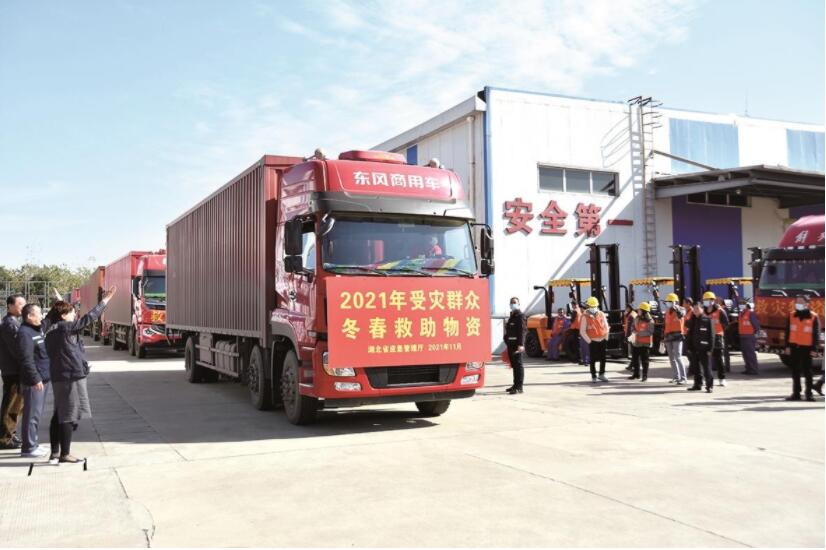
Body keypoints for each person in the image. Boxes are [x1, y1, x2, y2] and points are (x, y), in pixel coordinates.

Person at [44, 286, 116, 462]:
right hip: (70, 376)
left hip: (59, 375)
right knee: (68, 415)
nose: (74, 315)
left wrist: (60, 300)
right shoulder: (66, 328)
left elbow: (59, 313)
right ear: (63, 316)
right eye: (71, 313)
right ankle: (65, 453)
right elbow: (89, 317)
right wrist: (105, 301)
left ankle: (55, 451)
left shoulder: (51, 328)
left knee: (59, 413)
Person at [17, 304, 52, 458]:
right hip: (34, 381)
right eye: (38, 313)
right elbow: (26, 359)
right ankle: (28, 447)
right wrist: (35, 378)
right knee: (31, 415)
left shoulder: (36, 329)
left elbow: (49, 319)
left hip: (43, 378)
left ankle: (34, 443)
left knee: (37, 414)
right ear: (29, 316)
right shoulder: (25, 333)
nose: (41, 316)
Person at [0, 294, 26, 449]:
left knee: (16, 405)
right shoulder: (10, 324)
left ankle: (10, 434)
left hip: (14, 370)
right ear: (10, 305)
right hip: (13, 371)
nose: (23, 307)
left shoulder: (14, 322)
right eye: (20, 304)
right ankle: (5, 439)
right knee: (11, 405)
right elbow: (17, 349)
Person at [783, 295, 821, 402]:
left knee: (808, 372)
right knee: (795, 371)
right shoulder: (792, 315)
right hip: (794, 346)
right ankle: (796, 393)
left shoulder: (813, 316)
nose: (797, 304)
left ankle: (809, 394)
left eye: (800, 302)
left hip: (807, 347)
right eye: (797, 302)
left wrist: (814, 348)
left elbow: (816, 334)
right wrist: (787, 346)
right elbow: (788, 332)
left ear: (807, 304)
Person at [685, 302, 714, 393]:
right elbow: (689, 334)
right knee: (696, 368)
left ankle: (709, 386)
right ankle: (697, 384)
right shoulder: (692, 320)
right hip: (694, 348)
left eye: (697, 309)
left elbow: (712, 336)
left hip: (704, 349)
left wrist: (710, 349)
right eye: (694, 309)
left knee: (706, 368)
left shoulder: (707, 320)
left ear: (702, 309)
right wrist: (689, 346)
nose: (695, 311)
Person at [580, 296, 610, 383]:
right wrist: (590, 341)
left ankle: (601, 374)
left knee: (603, 358)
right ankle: (593, 375)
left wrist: (606, 338)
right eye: (591, 306)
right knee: (593, 359)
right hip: (593, 341)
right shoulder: (585, 317)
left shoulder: (601, 314)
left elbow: (606, 326)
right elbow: (582, 331)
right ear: (588, 306)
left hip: (602, 340)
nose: (593, 308)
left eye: (595, 306)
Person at [702, 291, 728, 387]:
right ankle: (707, 378)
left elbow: (726, 324)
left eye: (707, 300)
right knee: (705, 360)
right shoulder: (703, 311)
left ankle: (722, 378)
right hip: (705, 337)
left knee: (719, 359)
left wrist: (719, 332)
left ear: (712, 301)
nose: (705, 301)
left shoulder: (720, 311)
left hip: (717, 337)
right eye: (704, 300)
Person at [662, 293, 687, 384]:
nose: (667, 303)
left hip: (677, 336)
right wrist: (664, 337)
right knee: (671, 358)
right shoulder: (667, 312)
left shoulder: (681, 309)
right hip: (668, 336)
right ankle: (676, 377)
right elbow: (666, 325)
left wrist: (677, 309)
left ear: (674, 302)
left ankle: (683, 378)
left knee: (678, 357)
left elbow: (682, 315)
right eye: (667, 302)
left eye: (669, 302)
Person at [503, 296, 526, 395]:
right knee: (514, 366)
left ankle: (519, 387)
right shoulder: (512, 316)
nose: (513, 304)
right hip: (511, 344)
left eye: (515, 302)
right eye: (511, 302)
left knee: (518, 365)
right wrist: (506, 340)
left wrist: (521, 344)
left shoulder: (520, 316)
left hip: (517, 345)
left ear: (519, 304)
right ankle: (515, 385)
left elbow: (522, 331)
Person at [628, 302, 654, 381]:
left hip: (645, 343)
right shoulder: (637, 318)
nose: (638, 311)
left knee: (644, 360)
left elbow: (650, 332)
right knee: (635, 359)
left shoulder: (650, 321)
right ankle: (636, 374)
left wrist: (639, 333)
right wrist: (633, 331)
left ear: (644, 311)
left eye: (639, 310)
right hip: (636, 342)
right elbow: (632, 326)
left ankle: (644, 376)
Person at [738, 300, 761, 375]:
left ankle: (754, 369)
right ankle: (748, 369)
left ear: (746, 305)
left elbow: (756, 325)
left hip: (749, 336)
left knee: (750, 354)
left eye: (742, 304)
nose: (741, 305)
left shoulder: (750, 313)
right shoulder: (741, 314)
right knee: (745, 354)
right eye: (740, 304)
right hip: (742, 336)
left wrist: (756, 334)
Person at [623, 304, 636, 372]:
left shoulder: (631, 316)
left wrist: (627, 336)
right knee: (634, 351)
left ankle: (633, 366)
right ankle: (631, 365)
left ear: (629, 308)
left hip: (632, 335)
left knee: (634, 351)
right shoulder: (631, 314)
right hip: (632, 335)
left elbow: (630, 327)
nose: (626, 309)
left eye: (626, 308)